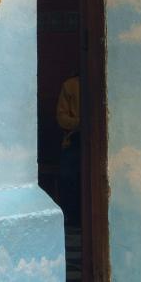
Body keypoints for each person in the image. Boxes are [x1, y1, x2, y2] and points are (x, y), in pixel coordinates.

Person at [56, 73, 80, 226]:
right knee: (67, 176)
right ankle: (70, 218)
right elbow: (61, 118)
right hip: (74, 139)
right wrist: (80, 123)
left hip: (94, 140)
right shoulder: (70, 85)